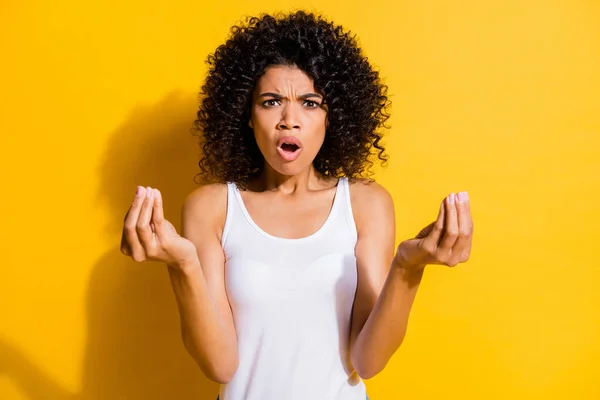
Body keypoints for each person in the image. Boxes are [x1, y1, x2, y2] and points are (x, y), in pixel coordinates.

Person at [120, 10, 473, 400]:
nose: (290, 120)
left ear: (331, 116)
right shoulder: (212, 207)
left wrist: (408, 267)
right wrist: (181, 265)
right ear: (247, 117)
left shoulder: (365, 204)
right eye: (271, 102)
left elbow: (368, 360)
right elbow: (220, 366)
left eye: (309, 103)